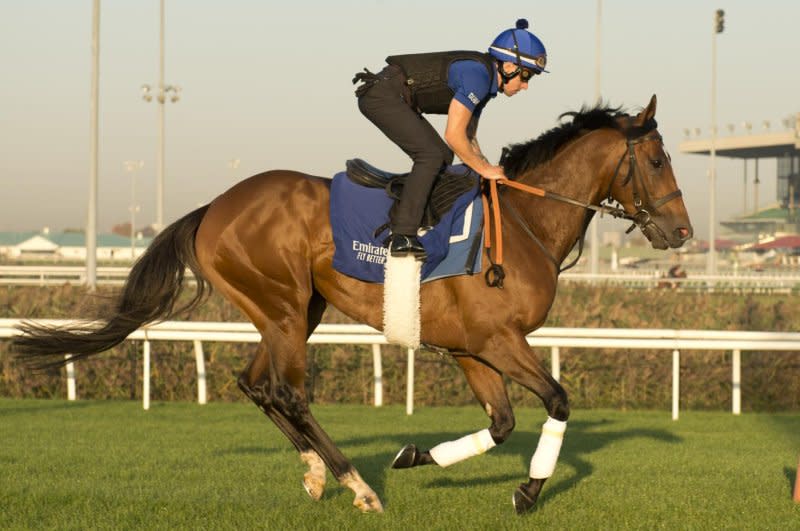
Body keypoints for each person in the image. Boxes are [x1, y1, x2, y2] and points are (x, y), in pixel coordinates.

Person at [353, 18, 548, 260]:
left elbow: (468, 137)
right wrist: (484, 169)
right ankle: (402, 234)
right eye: (527, 76)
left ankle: (417, 213)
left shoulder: (486, 83)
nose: (526, 86)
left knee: (443, 155)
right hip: (381, 95)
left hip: (396, 96)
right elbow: (453, 135)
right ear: (509, 67)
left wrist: (486, 170)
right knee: (431, 155)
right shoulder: (478, 76)